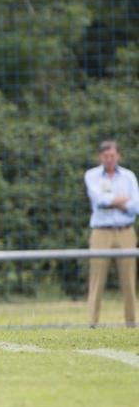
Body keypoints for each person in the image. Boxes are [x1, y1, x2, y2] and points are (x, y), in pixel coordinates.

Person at [84, 140, 138, 328]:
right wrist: (122, 200)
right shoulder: (91, 175)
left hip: (126, 232)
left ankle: (131, 324)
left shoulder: (129, 177)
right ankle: (92, 323)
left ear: (118, 156)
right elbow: (99, 200)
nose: (109, 159)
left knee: (129, 281)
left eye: (112, 155)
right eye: (106, 156)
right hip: (101, 232)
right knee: (97, 279)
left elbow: (135, 206)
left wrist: (112, 201)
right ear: (100, 157)